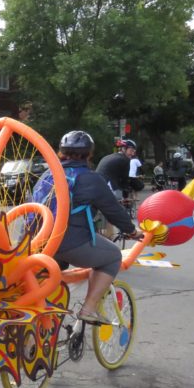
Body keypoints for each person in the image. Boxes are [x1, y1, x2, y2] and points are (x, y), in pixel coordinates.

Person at [46, 131, 140, 325]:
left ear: (61, 152)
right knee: (113, 256)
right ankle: (88, 309)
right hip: (70, 243)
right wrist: (132, 231)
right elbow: (113, 210)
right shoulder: (90, 178)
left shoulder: (48, 174)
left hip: (39, 242)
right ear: (89, 154)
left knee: (53, 275)